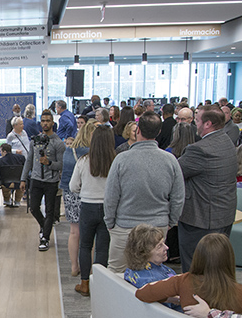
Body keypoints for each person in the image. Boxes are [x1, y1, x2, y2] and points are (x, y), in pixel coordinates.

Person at [104, 111, 185, 273]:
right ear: (159, 132)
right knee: (152, 272)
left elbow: (111, 196)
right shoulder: (170, 160)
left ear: (138, 130)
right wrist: (170, 221)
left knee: (116, 273)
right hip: (158, 227)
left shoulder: (121, 159)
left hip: (124, 226)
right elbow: (178, 197)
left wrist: (110, 222)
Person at [177, 106, 238, 273]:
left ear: (208, 124)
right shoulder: (227, 141)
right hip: (223, 215)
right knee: (216, 266)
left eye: (197, 121)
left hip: (201, 219)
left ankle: (194, 298)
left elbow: (175, 172)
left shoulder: (199, 149)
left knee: (195, 268)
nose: (195, 125)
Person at [136, 233, 242, 313]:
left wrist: (173, 297)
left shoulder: (182, 282)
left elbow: (142, 293)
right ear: (229, 259)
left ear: (198, 257)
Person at [70, 125, 116, 296]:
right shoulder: (116, 160)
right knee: (103, 248)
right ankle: (100, 284)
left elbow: (73, 186)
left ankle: (84, 283)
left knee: (85, 245)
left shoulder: (83, 160)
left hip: (87, 206)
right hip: (108, 208)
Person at [21, 110, 66, 252]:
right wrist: (23, 178)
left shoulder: (58, 143)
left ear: (52, 123)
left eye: (48, 121)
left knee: (50, 211)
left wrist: (49, 163)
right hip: (35, 179)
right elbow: (29, 160)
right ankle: (44, 225)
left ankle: (45, 238)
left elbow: (61, 165)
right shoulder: (35, 140)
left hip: (51, 181)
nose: (45, 123)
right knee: (33, 207)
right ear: (40, 123)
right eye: (43, 121)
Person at [63, 121, 96, 276]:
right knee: (91, 234)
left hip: (70, 192)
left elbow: (65, 177)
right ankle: (89, 267)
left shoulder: (69, 151)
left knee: (74, 232)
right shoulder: (94, 153)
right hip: (89, 194)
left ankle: (74, 266)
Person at [123, 224, 178, 303]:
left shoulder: (131, 271)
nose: (166, 247)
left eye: (164, 243)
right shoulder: (152, 281)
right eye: (159, 246)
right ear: (144, 252)